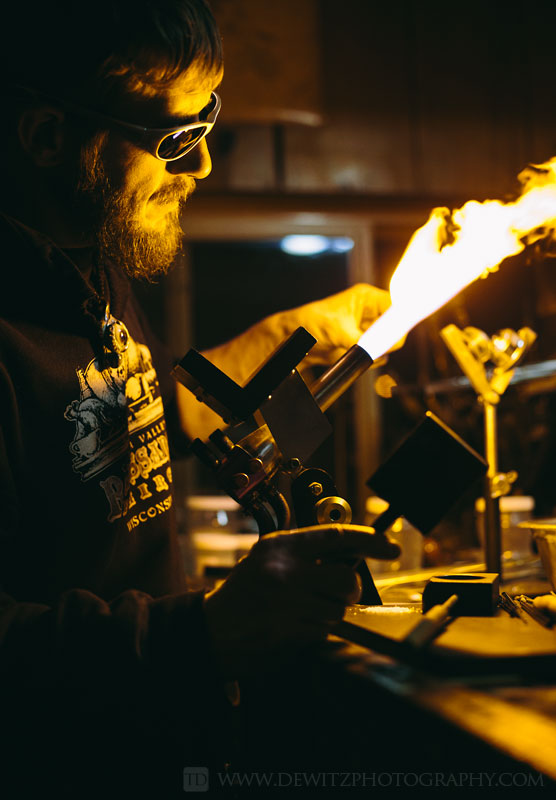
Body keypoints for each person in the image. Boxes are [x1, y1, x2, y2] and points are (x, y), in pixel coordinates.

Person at [0, 1, 400, 795]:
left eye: (209, 119)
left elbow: (127, 419)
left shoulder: (88, 254)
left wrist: (284, 337)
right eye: (176, 138)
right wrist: (210, 632)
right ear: (47, 137)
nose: (204, 166)